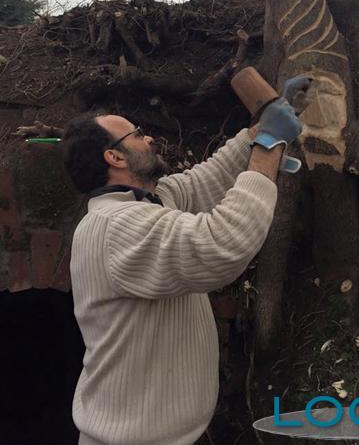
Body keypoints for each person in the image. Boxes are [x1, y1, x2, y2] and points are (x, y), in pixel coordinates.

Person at [62, 76, 309, 445]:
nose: (148, 138)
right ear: (114, 157)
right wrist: (268, 145)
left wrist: (267, 122)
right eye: (136, 135)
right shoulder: (116, 226)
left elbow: (206, 180)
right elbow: (222, 244)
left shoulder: (149, 202)